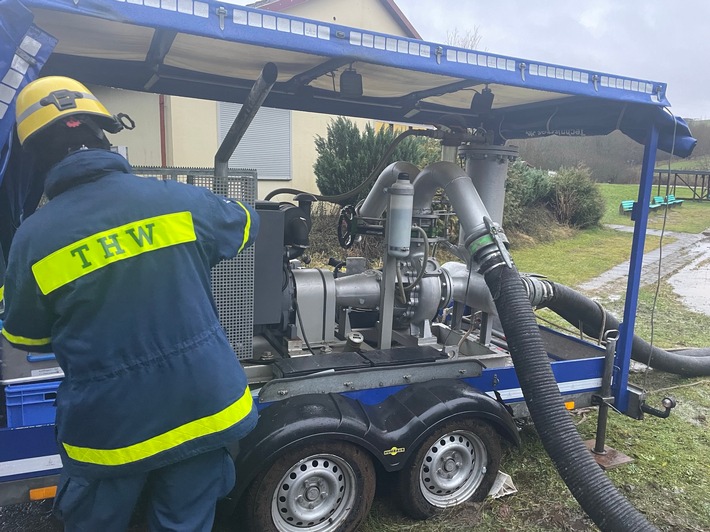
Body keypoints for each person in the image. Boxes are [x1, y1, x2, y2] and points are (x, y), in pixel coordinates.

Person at [2, 76, 260, 531]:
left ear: (36, 159)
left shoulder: (31, 241)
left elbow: (26, 335)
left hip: (109, 431)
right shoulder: (179, 201)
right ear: (104, 138)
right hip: (203, 408)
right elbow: (243, 224)